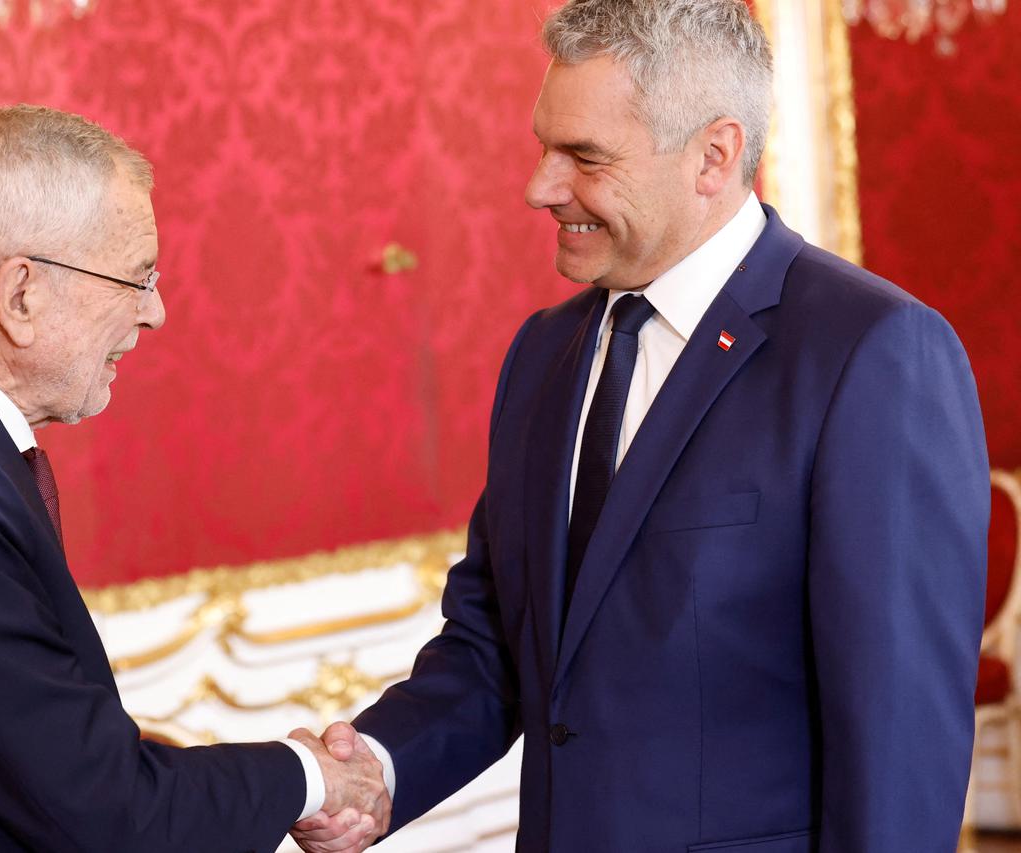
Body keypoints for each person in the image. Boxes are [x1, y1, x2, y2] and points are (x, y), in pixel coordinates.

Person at [293, 1, 989, 851]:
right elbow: (498, 646)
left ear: (714, 156)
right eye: (545, 148)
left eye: (584, 157)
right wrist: (376, 769)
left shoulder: (871, 353)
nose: (540, 187)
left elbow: (899, 733)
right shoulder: (543, 354)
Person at [0, 104, 388, 851]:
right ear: (21, 294)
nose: (155, 312)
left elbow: (29, 749)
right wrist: (309, 776)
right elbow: (103, 809)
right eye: (137, 277)